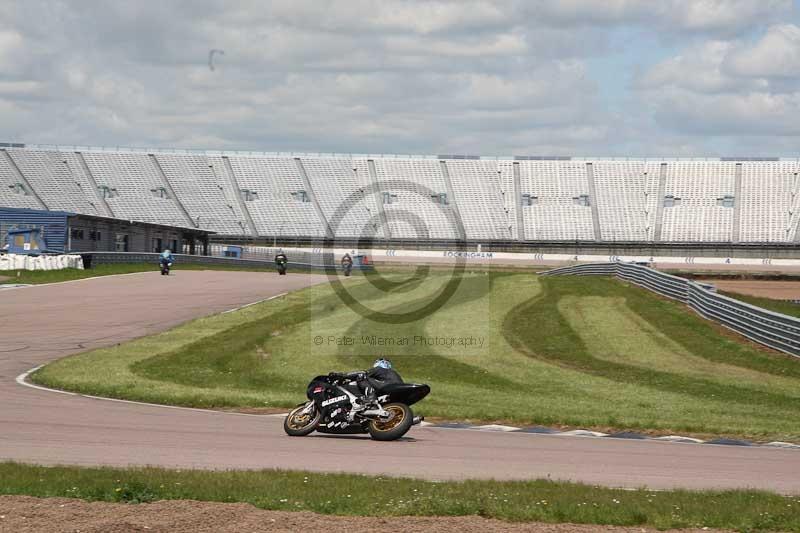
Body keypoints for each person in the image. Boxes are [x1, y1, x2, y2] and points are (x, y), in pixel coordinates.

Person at [330, 358, 403, 411]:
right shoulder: (393, 373)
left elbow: (362, 373)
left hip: (387, 386)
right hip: (395, 391)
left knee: (361, 377)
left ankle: (371, 398)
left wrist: (342, 375)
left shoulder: (379, 369)